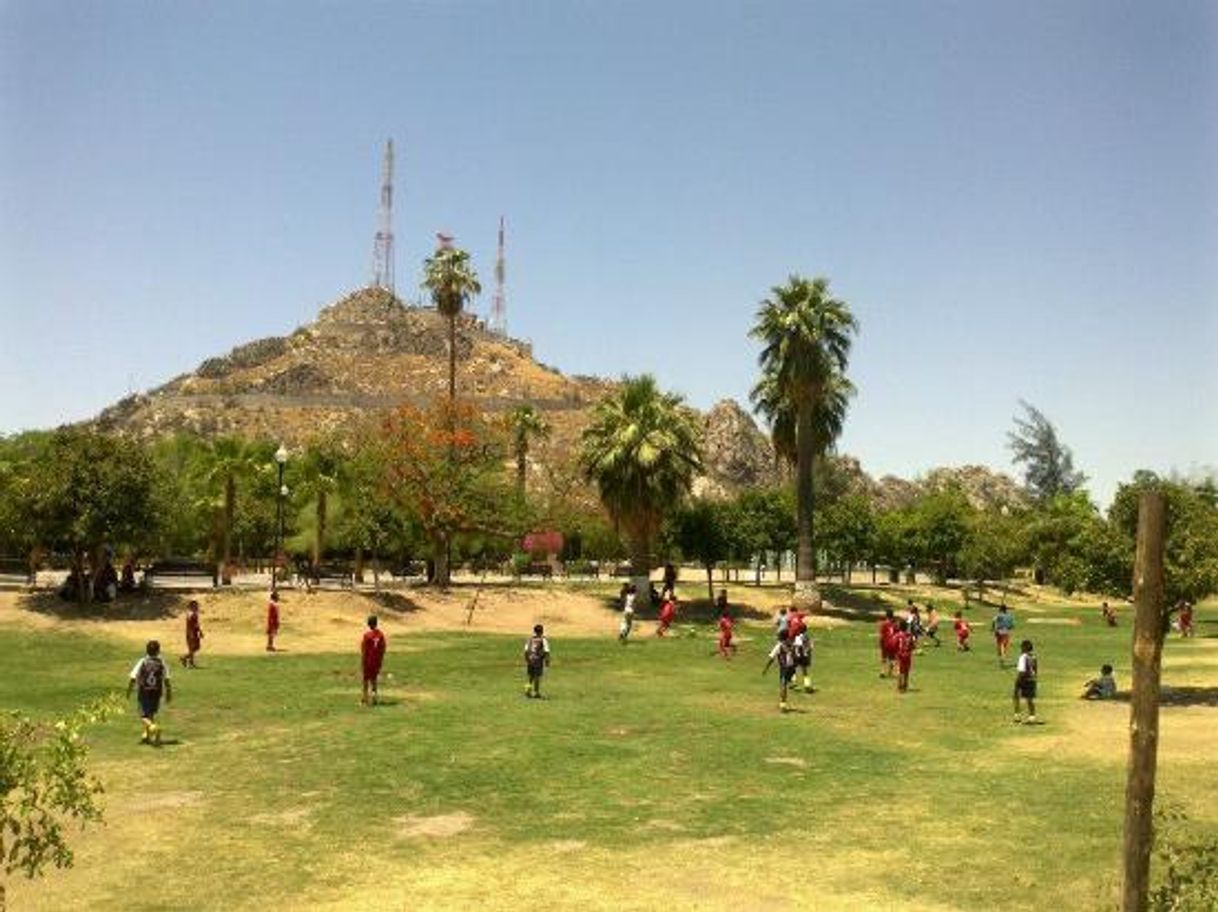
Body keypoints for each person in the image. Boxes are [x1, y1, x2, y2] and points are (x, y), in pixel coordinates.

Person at [127, 640, 172, 745]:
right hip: (156, 692)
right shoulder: (161, 662)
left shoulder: (143, 661)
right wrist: (169, 693)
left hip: (144, 692)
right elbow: (166, 679)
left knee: (143, 715)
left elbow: (133, 677)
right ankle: (149, 736)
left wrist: (129, 691)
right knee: (150, 714)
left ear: (146, 651)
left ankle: (153, 727)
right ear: (158, 651)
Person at [762, 629, 797, 712]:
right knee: (785, 684)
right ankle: (793, 681)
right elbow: (795, 654)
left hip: (784, 668)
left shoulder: (779, 646)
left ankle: (783, 705)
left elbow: (771, 658)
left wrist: (766, 668)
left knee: (783, 685)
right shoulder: (790, 644)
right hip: (791, 667)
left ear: (780, 637)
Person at [361, 615, 387, 705]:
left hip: (368, 661)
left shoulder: (367, 635)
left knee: (365, 680)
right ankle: (374, 698)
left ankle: (365, 699)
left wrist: (363, 661)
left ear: (368, 624)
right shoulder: (380, 634)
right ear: (376, 623)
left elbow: (364, 650)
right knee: (374, 679)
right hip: (376, 661)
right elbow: (383, 648)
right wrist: (380, 660)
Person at [1013, 639, 1039, 723]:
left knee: (1016, 696)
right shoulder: (1034, 657)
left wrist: (1017, 680)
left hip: (1024, 679)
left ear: (1024, 648)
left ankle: (1017, 715)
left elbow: (1022, 671)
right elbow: (1035, 669)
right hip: (1032, 679)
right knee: (1030, 699)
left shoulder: (1023, 657)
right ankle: (1032, 716)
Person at [523, 624, 551, 698]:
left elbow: (526, 651)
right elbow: (546, 651)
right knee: (537, 677)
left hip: (530, 660)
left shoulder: (530, 639)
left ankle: (528, 691)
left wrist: (527, 660)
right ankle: (536, 692)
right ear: (542, 631)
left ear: (534, 631)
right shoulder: (543, 639)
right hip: (538, 660)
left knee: (530, 677)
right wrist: (547, 662)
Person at [180, 600, 203, 668]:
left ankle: (191, 662)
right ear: (192, 606)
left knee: (194, 648)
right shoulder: (192, 614)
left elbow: (196, 624)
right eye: (195, 605)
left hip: (192, 632)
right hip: (191, 633)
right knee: (194, 648)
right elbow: (192, 624)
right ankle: (183, 658)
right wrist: (193, 633)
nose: (197, 607)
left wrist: (199, 631)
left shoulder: (192, 613)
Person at [894, 620, 915, 694]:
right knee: (906, 671)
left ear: (900, 627)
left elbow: (894, 644)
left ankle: (900, 686)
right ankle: (905, 685)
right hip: (908, 655)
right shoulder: (910, 635)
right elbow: (912, 646)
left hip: (900, 655)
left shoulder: (898, 635)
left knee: (899, 671)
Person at [792, 626, 814, 692]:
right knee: (805, 671)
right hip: (805, 656)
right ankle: (807, 684)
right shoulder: (807, 637)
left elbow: (797, 646)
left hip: (799, 655)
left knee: (794, 669)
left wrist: (796, 654)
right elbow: (811, 647)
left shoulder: (798, 637)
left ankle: (794, 683)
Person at [878, 608, 898, 678]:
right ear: (892, 616)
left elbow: (881, 635)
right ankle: (890, 672)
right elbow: (897, 634)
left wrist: (880, 643)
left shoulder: (884, 624)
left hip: (886, 643)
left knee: (884, 658)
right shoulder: (895, 624)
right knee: (892, 658)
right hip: (893, 643)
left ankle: (882, 671)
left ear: (886, 616)